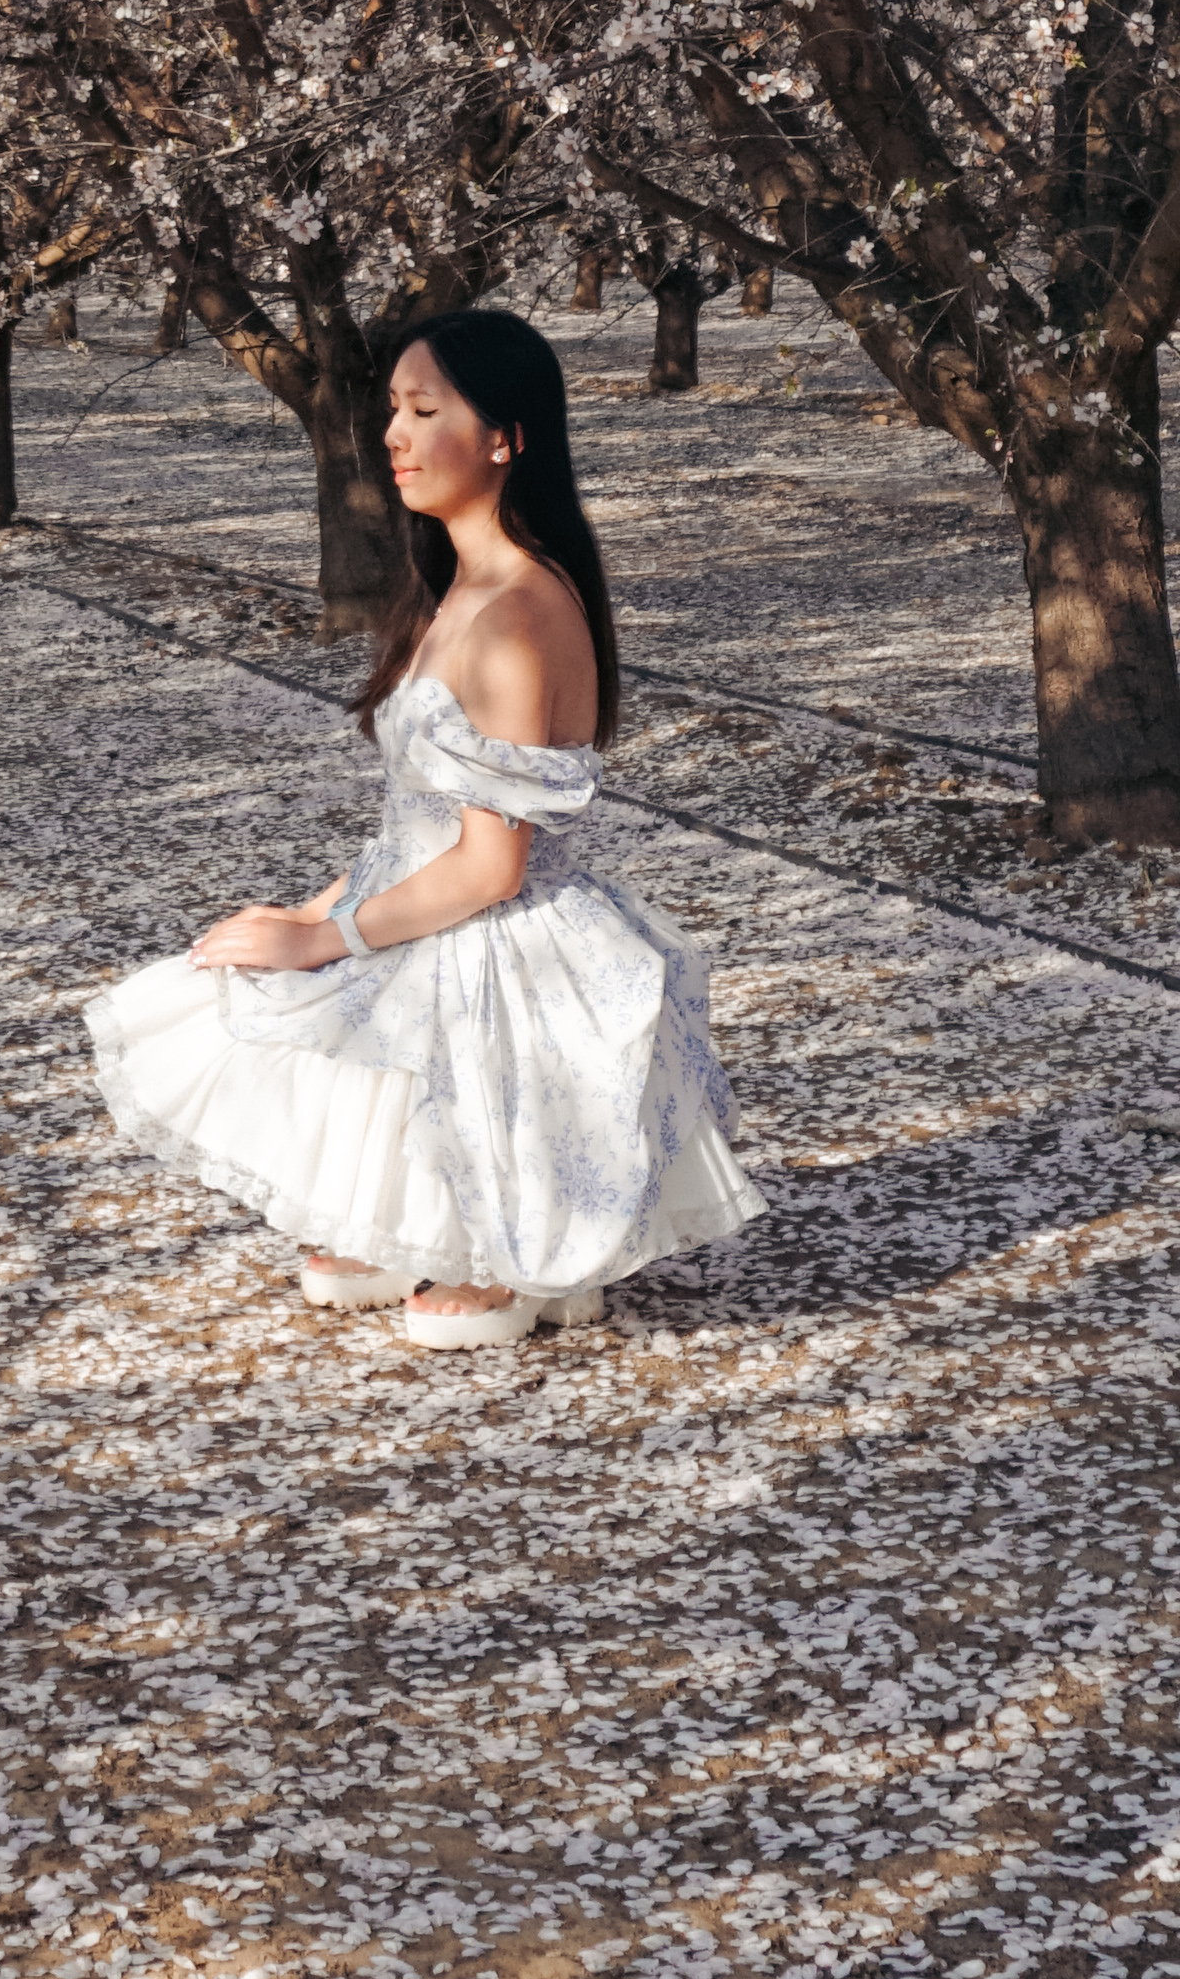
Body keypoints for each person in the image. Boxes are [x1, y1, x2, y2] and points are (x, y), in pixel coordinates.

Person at [84, 302, 762, 1348]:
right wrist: (312, 913)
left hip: (506, 929)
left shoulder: (519, 613)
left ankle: (507, 1250)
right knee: (234, 984)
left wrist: (325, 935)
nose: (391, 436)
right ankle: (413, 1226)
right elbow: (420, 825)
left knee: (367, 985)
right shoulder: (461, 590)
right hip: (441, 899)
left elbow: (493, 866)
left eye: (422, 409)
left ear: (504, 437)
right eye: (390, 409)